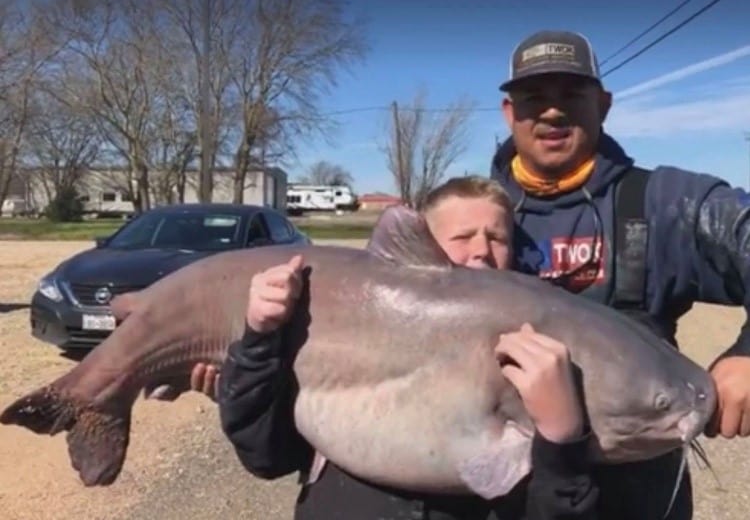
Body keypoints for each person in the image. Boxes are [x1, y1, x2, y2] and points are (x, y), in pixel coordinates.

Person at [191, 176, 601, 519]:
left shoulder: (532, 358)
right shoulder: (338, 326)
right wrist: (257, 346)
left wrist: (561, 441)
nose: (481, 250)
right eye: (462, 236)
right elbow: (266, 456)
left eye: (497, 238)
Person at [489, 29, 750, 519]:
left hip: (636, 494)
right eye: (533, 98)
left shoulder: (668, 202)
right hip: (507, 489)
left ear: (603, 105)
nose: (551, 111)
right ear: (509, 113)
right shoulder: (474, 217)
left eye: (571, 95)